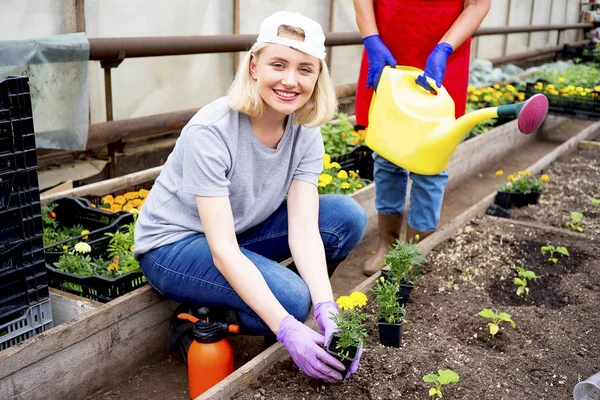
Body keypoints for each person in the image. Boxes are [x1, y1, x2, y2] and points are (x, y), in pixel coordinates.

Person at [133, 11, 367, 383]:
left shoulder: (304, 130)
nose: (291, 81)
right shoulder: (212, 131)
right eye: (279, 64)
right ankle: (209, 315)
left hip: (240, 230)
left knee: (345, 217)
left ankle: (268, 300)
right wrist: (289, 324)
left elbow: (304, 230)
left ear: (318, 76)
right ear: (254, 66)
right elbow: (222, 250)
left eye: (305, 69)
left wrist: (327, 308)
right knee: (291, 300)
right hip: (174, 246)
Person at [353, 0, 491, 276]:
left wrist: (444, 48)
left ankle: (414, 252)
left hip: (443, 55)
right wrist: (371, 38)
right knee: (387, 152)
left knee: (431, 161)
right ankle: (387, 245)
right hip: (388, 50)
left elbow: (478, 4)